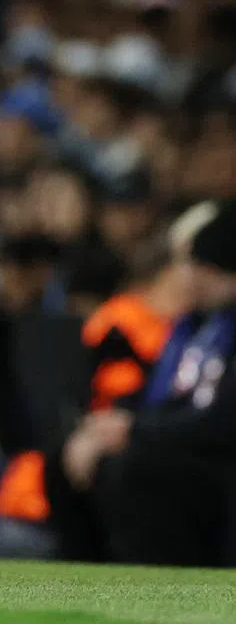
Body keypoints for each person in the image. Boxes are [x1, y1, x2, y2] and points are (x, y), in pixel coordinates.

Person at [44, 200, 236, 566]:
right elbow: (169, 396)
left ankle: (161, 581)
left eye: (205, 268)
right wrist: (108, 425)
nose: (191, 277)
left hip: (217, 456)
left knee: (136, 468)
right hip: (184, 440)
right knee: (62, 458)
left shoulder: (220, 329)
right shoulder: (196, 326)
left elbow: (220, 417)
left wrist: (135, 430)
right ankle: (86, 577)